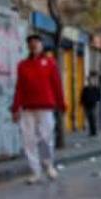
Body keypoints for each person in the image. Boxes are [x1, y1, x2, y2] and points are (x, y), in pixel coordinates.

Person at [12, 34, 66, 183]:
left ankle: (48, 165)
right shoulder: (22, 65)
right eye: (31, 43)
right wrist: (15, 108)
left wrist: (61, 104)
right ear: (28, 46)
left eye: (36, 42)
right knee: (28, 140)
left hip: (46, 107)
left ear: (41, 45)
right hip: (27, 108)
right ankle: (35, 171)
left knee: (46, 138)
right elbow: (19, 88)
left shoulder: (50, 63)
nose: (34, 45)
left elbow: (57, 85)